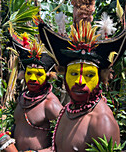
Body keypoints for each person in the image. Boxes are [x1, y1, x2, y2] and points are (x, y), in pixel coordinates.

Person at [38, 18, 126, 152]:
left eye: (89, 75)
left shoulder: (101, 122)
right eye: (73, 74)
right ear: (64, 75)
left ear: (100, 78)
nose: (80, 81)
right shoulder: (67, 110)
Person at [0, 39, 63, 152]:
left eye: (38, 74)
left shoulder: (51, 104)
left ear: (48, 77)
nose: (32, 78)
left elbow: (63, 144)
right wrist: (9, 136)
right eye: (29, 73)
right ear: (23, 75)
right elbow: (20, 125)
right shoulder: (22, 98)